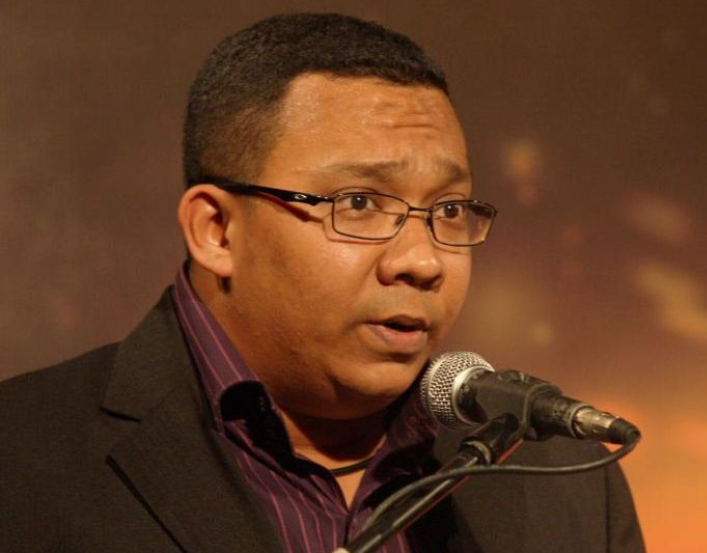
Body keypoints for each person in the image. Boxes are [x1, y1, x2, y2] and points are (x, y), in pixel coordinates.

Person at [0, 13, 645, 553]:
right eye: (359, 204)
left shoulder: (565, 480)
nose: (423, 262)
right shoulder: (22, 458)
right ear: (216, 231)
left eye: (449, 210)